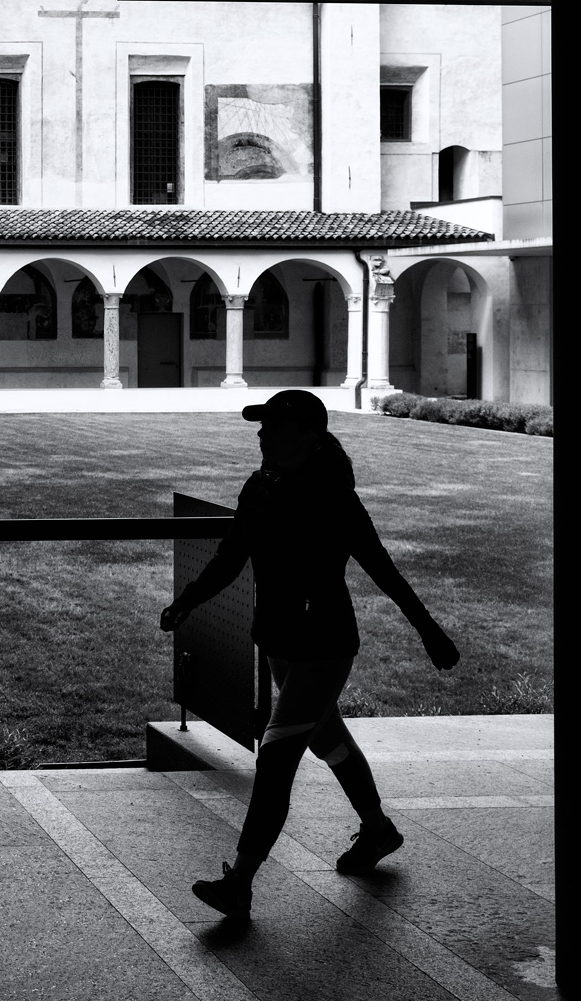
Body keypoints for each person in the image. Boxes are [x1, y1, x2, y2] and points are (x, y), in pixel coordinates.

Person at [160, 388, 460, 921]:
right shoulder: (259, 486)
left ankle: (240, 883)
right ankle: (379, 830)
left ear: (311, 436)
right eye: (262, 425)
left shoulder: (333, 498)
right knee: (328, 739)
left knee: (276, 756)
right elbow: (232, 554)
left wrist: (428, 629)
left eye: (274, 426)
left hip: (323, 642)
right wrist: (188, 601)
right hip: (276, 639)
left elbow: (380, 566)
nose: (261, 434)